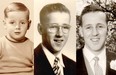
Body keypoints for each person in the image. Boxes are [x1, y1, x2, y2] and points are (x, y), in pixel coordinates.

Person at [34, 3, 76, 75]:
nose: (60, 34)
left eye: (65, 27)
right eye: (53, 27)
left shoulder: (74, 66)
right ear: (40, 29)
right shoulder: (28, 63)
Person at [77, 4, 116, 75]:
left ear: (108, 29)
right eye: (88, 27)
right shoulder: (70, 62)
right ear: (81, 31)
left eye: (100, 26)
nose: (95, 33)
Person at [0, 2, 33, 75]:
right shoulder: (1, 44)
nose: (17, 27)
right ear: (5, 24)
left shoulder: (32, 47)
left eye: (22, 23)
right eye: (12, 23)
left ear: (29, 25)